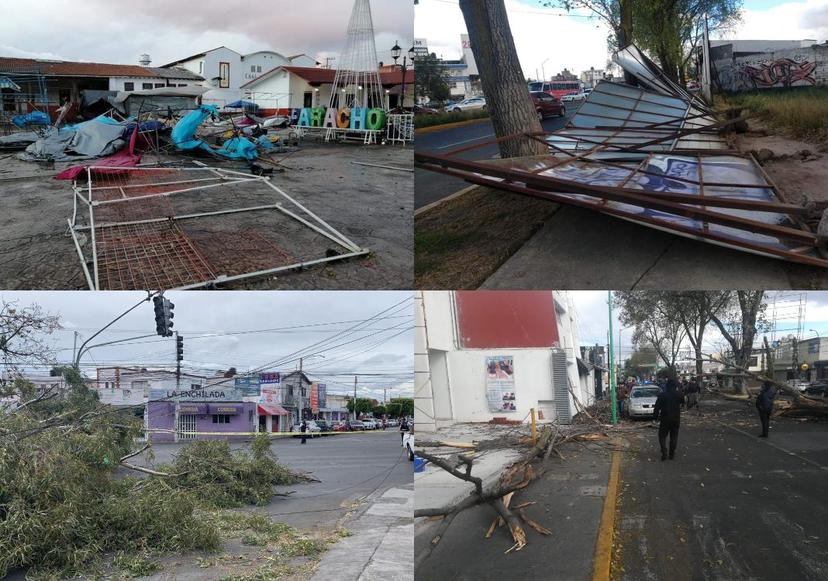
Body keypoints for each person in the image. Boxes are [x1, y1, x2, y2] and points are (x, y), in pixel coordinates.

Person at [653, 378, 685, 461]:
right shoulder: (679, 394)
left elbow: (656, 408)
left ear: (667, 385)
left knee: (662, 436)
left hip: (664, 418)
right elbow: (683, 404)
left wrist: (655, 417)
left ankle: (664, 451)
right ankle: (672, 453)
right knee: (674, 436)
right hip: (676, 419)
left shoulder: (662, 395)